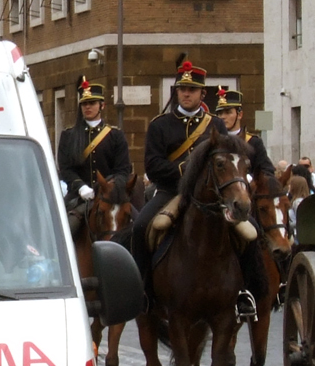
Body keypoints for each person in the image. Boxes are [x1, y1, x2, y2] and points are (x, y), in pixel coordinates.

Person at [132, 59, 258, 315]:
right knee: (140, 226)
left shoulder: (216, 124)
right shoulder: (160, 125)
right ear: (177, 91)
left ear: (203, 93)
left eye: (192, 90)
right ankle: (142, 291)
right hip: (171, 192)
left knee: (251, 232)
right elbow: (153, 165)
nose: (186, 93)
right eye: (182, 89)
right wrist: (187, 171)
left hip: (211, 197)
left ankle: (246, 290)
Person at [57, 77, 131, 236]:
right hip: (78, 197)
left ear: (102, 105)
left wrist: (111, 188)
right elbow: (65, 167)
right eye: (84, 104)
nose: (88, 107)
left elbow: (123, 169)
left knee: (137, 226)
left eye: (92, 103)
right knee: (63, 229)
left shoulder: (115, 135)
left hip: (110, 197)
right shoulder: (69, 136)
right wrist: (80, 186)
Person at [213, 87, 275, 178]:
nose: (222, 117)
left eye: (228, 112)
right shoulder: (215, 142)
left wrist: (250, 179)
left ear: (240, 114)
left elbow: (267, 171)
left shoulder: (253, 142)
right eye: (220, 113)